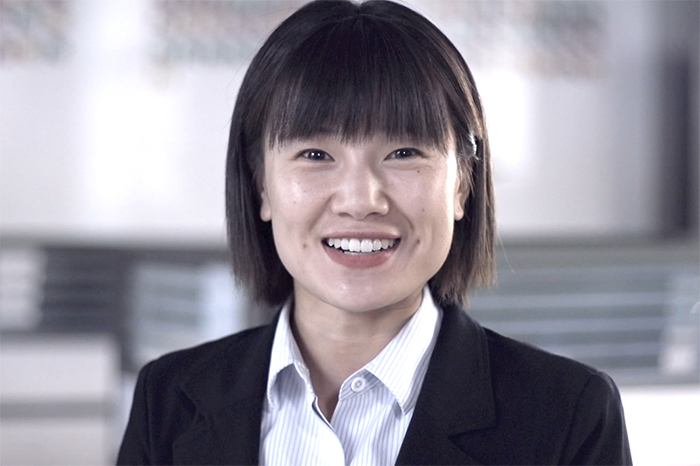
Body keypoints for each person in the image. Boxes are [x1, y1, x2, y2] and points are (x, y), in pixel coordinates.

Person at [117, 0, 632, 464]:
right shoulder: (169, 399)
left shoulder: (568, 414)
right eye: (315, 154)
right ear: (260, 186)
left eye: (403, 153)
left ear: (462, 185)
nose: (361, 200)